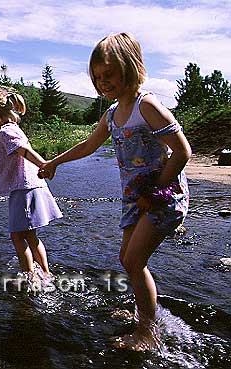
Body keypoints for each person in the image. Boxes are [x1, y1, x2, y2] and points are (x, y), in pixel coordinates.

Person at [39, 33, 191, 351]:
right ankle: (142, 313)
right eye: (97, 77)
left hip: (163, 196)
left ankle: (149, 333)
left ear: (130, 68)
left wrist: (157, 190)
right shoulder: (111, 115)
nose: (102, 82)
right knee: (126, 258)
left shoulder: (146, 105)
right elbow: (88, 145)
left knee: (135, 261)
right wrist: (55, 161)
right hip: (135, 198)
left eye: (108, 74)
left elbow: (182, 152)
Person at [0, 85, 62, 282]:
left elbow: (23, 150)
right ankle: (44, 273)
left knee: (17, 236)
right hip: (27, 187)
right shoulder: (12, 129)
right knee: (30, 235)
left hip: (24, 188)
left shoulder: (6, 132)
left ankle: (30, 276)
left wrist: (44, 164)